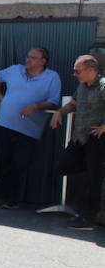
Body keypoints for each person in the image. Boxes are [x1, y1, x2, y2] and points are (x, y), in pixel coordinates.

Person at [0, 47, 62, 209]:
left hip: (29, 130)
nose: (28, 60)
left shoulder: (52, 77)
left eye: (33, 58)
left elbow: (53, 101)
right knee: (4, 161)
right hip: (4, 124)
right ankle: (8, 199)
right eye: (27, 56)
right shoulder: (15, 70)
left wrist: (36, 106)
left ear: (43, 61)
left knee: (20, 162)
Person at [50, 55, 105, 229]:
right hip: (79, 138)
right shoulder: (82, 85)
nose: (75, 74)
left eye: (78, 71)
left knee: (93, 180)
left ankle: (87, 219)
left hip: (97, 139)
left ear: (91, 70)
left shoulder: (103, 85)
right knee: (62, 166)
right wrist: (60, 112)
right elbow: (73, 104)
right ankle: (95, 170)